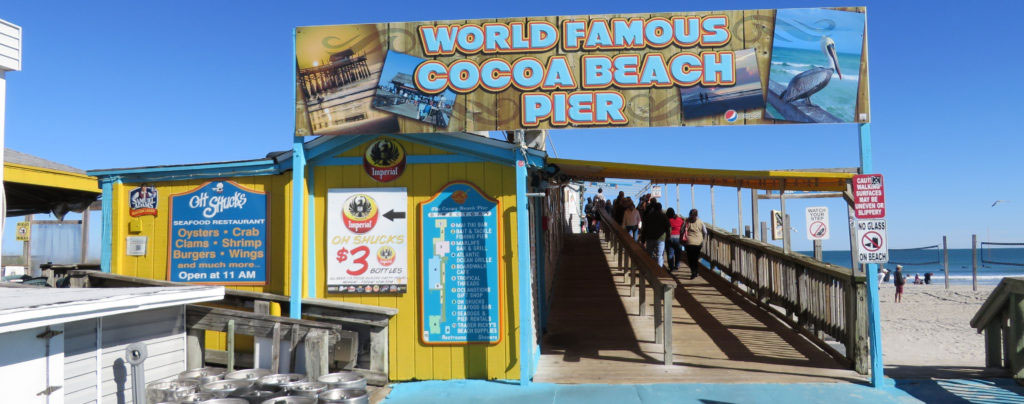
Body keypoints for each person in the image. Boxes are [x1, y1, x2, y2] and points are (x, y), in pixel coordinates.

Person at [641, 202, 670, 267]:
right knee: (659, 256)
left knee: (649, 255)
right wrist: (668, 237)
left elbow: (644, 228)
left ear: (653, 208)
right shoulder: (664, 216)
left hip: (650, 238)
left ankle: (649, 269)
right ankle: (659, 272)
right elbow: (668, 227)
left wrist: (643, 239)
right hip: (661, 239)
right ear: (661, 208)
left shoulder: (649, 216)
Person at [683, 209, 707, 280]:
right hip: (698, 243)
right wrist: (703, 239)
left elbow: (682, 229)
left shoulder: (687, 221)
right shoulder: (700, 222)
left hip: (689, 242)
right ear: (697, 215)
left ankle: (693, 271)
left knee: (690, 258)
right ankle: (695, 271)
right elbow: (705, 232)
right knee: (695, 258)